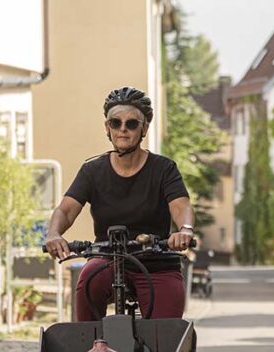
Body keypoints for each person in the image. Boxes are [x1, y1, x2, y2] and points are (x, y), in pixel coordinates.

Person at [44, 87, 195, 321]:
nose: (123, 129)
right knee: (87, 284)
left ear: (144, 128)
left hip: (156, 262)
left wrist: (184, 230)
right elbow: (66, 209)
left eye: (132, 124)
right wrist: (54, 233)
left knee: (165, 329)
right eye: (116, 123)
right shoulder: (92, 170)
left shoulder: (164, 168)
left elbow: (181, 205)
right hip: (107, 258)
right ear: (107, 127)